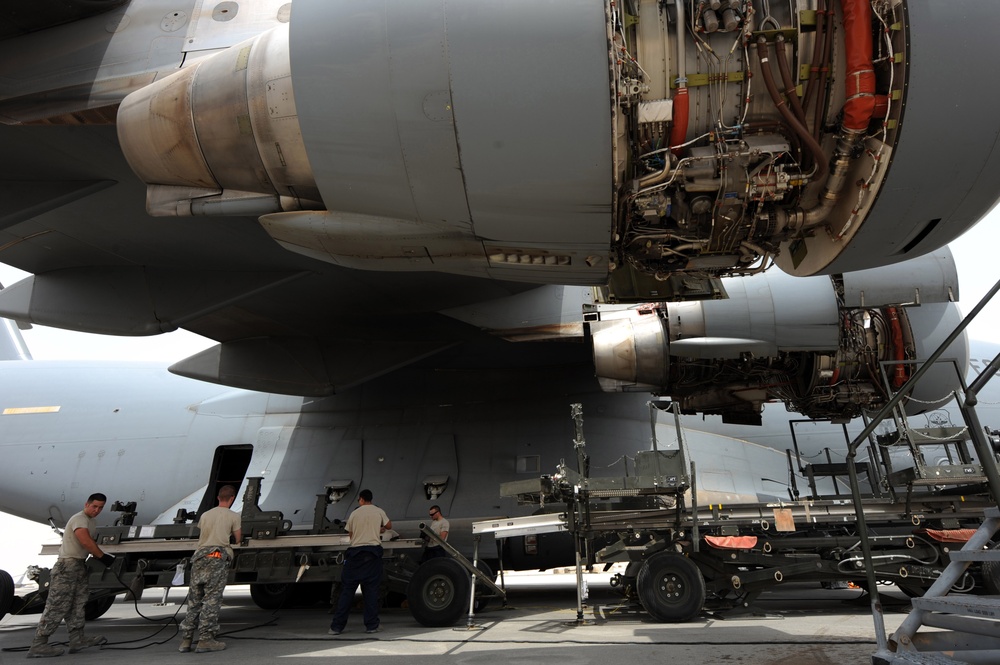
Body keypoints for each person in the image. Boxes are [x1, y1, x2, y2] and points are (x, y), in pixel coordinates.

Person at [28, 493, 114, 658]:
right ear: (86, 504)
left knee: (78, 604)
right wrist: (103, 557)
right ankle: (38, 644)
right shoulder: (80, 519)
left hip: (79, 565)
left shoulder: (91, 521)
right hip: (67, 567)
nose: (97, 510)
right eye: (94, 506)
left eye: (101, 508)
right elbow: (86, 541)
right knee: (57, 605)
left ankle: (77, 639)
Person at [178, 485, 242, 654]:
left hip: (199, 557)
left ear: (218, 498)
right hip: (216, 557)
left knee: (194, 599)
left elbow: (204, 533)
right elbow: (238, 538)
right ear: (232, 498)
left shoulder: (205, 515)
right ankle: (206, 640)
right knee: (211, 600)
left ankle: (186, 640)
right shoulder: (233, 516)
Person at [328, 489, 391, 635]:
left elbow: (351, 534)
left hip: (355, 556)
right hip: (372, 555)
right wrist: (378, 528)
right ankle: (371, 626)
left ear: (361, 499)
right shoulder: (378, 511)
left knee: (347, 591)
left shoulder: (354, 513)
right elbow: (389, 527)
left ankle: (336, 627)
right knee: (370, 592)